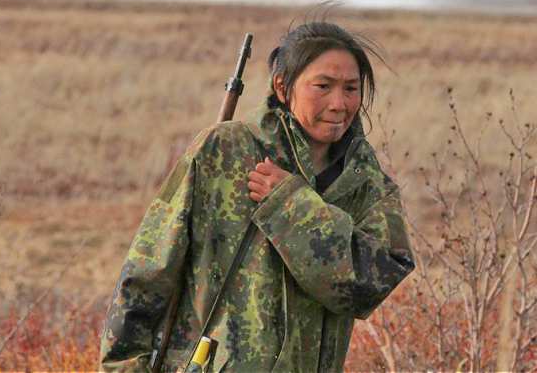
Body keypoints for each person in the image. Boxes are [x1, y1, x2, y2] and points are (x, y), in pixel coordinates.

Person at [99, 21, 415, 373]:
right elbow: (148, 271)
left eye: (351, 88)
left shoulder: (369, 186)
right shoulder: (224, 151)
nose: (339, 103)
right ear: (283, 87)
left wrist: (289, 205)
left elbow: (367, 287)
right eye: (323, 86)